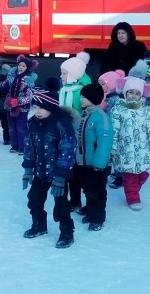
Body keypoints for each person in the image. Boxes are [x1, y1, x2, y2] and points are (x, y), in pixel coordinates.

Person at [21, 78, 77, 249]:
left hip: (57, 174)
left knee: (61, 205)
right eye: (35, 107)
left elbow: (68, 150)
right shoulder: (33, 123)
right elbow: (29, 146)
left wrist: (61, 176)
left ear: (51, 107)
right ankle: (39, 225)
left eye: (42, 108)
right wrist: (28, 169)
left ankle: (66, 233)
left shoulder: (62, 124)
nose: (37, 111)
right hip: (40, 172)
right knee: (34, 199)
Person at [110, 76, 150, 211]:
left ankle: (132, 188)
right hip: (126, 151)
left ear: (141, 95)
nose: (134, 96)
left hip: (143, 151)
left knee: (143, 174)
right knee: (130, 176)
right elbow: (113, 131)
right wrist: (113, 149)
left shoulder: (146, 111)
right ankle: (133, 198)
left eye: (137, 93)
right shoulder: (118, 110)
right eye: (131, 92)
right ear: (125, 93)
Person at [74, 83, 113, 231]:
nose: (81, 100)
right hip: (83, 162)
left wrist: (99, 163)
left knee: (97, 191)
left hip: (97, 164)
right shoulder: (85, 115)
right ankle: (90, 210)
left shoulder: (101, 117)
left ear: (92, 98)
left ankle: (97, 218)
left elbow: (104, 142)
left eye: (83, 97)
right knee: (87, 188)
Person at [58, 51, 92, 211]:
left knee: (77, 170)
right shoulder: (64, 89)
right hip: (64, 134)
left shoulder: (81, 91)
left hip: (78, 136)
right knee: (67, 166)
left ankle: (77, 199)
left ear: (73, 74)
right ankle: (70, 198)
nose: (61, 76)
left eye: (64, 73)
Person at [1, 55, 37, 154]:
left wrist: (19, 101)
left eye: (23, 66)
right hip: (10, 106)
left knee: (21, 127)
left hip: (22, 108)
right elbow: (4, 87)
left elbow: (30, 95)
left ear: (28, 68)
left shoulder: (29, 79)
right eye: (20, 65)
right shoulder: (12, 76)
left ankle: (22, 146)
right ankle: (14, 145)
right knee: (11, 127)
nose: (21, 67)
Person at [98, 69, 126, 189]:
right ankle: (109, 174)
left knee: (117, 156)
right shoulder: (106, 96)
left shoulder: (115, 99)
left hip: (116, 133)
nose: (100, 86)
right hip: (107, 131)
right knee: (108, 155)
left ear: (111, 84)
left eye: (103, 84)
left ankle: (120, 177)